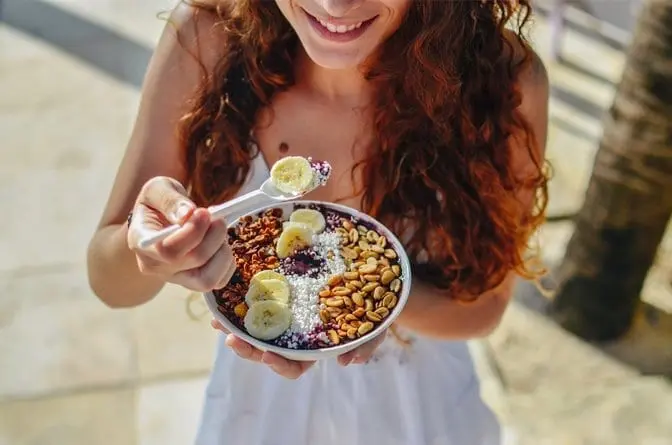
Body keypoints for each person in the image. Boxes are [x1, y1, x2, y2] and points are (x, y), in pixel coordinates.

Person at [86, 0, 550, 443]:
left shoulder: (500, 81)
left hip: (414, 406)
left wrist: (363, 308)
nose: (336, 7)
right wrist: (149, 246)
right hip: (259, 409)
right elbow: (110, 283)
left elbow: (484, 308)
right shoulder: (209, 37)